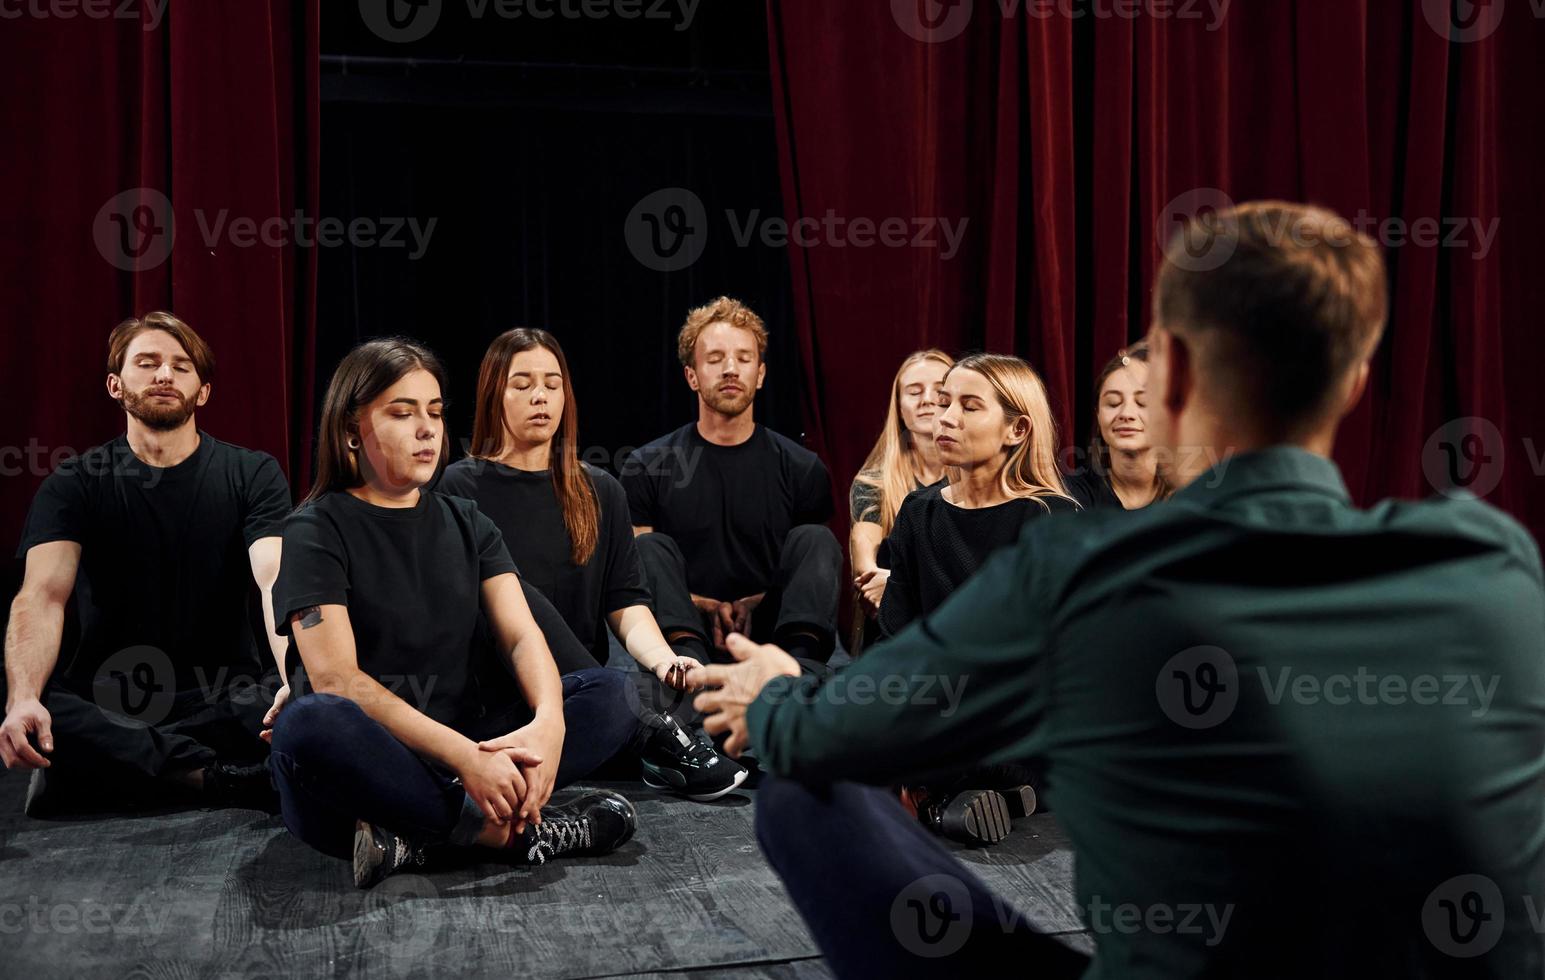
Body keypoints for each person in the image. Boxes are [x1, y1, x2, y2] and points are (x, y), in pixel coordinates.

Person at [688, 202, 1545, 977]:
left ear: (1167, 376)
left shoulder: (1074, 564)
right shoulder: (1492, 562)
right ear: (1355, 381)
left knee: (800, 796)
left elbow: (826, 734)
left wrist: (773, 695)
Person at [266, 339, 637, 890]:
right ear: (349, 429)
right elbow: (337, 680)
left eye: (435, 412)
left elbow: (520, 637)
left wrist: (548, 724)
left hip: (470, 744)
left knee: (614, 695)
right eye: (402, 412)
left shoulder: (468, 521)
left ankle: (415, 840)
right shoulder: (315, 529)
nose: (427, 429)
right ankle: (509, 835)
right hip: (379, 760)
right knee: (310, 724)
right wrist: (466, 760)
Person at [437, 327, 747, 801]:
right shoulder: (459, 489)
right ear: (493, 394)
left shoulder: (600, 491)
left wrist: (664, 659)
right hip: (500, 700)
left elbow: (626, 602)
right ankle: (655, 737)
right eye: (522, 385)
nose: (540, 396)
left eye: (552, 383)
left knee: (664, 691)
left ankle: (648, 733)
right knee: (512, 591)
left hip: (587, 698)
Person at [2, 313, 291, 816]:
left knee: (295, 696)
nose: (164, 375)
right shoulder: (75, 482)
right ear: (116, 385)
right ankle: (220, 779)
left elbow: (275, 580)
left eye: (181, 367)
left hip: (225, 694)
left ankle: (127, 771)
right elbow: (41, 597)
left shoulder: (252, 474)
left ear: (202, 392)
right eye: (148, 363)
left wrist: (292, 677)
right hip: (109, 700)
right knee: (36, 704)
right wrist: (22, 697)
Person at [877, 353, 1077, 844]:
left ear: (1016, 430)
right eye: (945, 402)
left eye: (969, 406)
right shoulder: (919, 512)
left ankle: (937, 799)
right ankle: (962, 797)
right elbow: (895, 639)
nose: (944, 417)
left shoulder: (1049, 519)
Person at [620, 297, 841, 671]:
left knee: (817, 540)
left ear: (761, 373)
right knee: (648, 547)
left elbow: (809, 575)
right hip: (683, 630)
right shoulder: (647, 466)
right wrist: (705, 607)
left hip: (774, 634)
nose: (730, 369)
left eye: (743, 357)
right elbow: (637, 578)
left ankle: (795, 678)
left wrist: (754, 605)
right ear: (692, 376)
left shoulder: (803, 468)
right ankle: (687, 671)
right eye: (715, 358)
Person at [847, 350, 953, 653]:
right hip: (891, 620)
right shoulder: (874, 481)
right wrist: (880, 582)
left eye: (939, 390)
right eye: (914, 391)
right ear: (899, 407)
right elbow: (864, 559)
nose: (927, 400)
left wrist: (900, 584)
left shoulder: (977, 475)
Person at [1064, 341, 1171, 509]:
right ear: (1098, 415)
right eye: (1113, 403)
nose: (1126, 414)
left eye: (1143, 402)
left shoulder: (1191, 501)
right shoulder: (1068, 499)